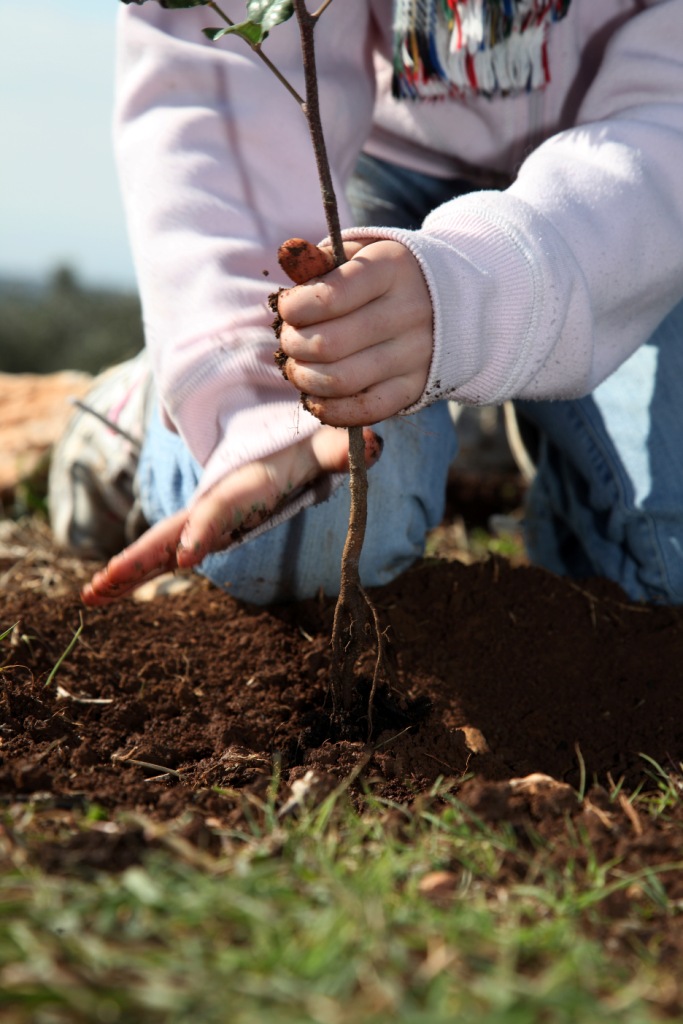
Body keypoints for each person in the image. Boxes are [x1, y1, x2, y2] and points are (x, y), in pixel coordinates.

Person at [49, 0, 683, 607]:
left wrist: (481, 294)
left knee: (664, 570)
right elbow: (218, 64)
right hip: (366, 162)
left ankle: (505, 398)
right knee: (296, 530)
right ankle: (146, 409)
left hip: (636, 202)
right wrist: (253, 393)